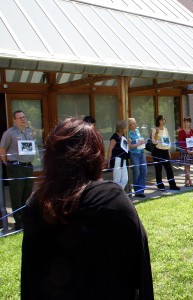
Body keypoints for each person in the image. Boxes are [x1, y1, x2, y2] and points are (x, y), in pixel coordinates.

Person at [21, 118, 154, 299]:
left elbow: (29, 278)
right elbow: (140, 269)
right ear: (94, 154)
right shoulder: (112, 199)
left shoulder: (36, 204)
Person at [0, 110, 35, 230]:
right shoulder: (9, 133)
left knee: (27, 195)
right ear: (14, 120)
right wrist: (7, 163)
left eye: (24, 117)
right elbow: (2, 149)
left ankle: (27, 220)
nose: (22, 119)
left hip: (28, 166)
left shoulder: (29, 131)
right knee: (17, 196)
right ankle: (19, 224)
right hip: (16, 167)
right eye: (19, 118)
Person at [151, 115, 180, 191]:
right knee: (158, 169)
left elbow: (167, 140)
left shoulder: (166, 129)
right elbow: (154, 141)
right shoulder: (154, 129)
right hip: (157, 151)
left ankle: (172, 185)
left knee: (169, 169)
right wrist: (157, 133)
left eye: (164, 120)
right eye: (161, 120)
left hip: (165, 151)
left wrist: (168, 151)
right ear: (158, 121)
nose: (163, 121)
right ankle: (160, 185)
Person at [128, 118, 147, 198]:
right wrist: (138, 143)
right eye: (134, 123)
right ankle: (137, 191)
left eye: (135, 123)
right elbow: (130, 146)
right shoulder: (128, 134)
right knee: (137, 172)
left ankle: (141, 190)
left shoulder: (137, 131)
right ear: (129, 125)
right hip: (134, 154)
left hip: (141, 153)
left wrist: (142, 143)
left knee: (144, 171)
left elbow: (140, 141)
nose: (136, 125)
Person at [107, 120, 129, 189]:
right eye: (125, 127)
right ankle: (115, 196)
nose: (126, 128)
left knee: (125, 179)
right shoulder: (114, 137)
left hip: (124, 159)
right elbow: (110, 150)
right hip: (117, 159)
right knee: (117, 179)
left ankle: (119, 193)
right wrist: (109, 161)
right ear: (122, 128)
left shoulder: (123, 136)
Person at [177, 117, 193, 187]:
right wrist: (186, 149)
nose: (186, 123)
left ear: (190, 123)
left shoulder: (192, 131)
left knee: (188, 166)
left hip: (191, 150)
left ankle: (186, 181)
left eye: (187, 122)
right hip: (184, 150)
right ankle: (190, 180)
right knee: (186, 165)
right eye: (185, 122)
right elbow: (180, 142)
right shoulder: (181, 131)